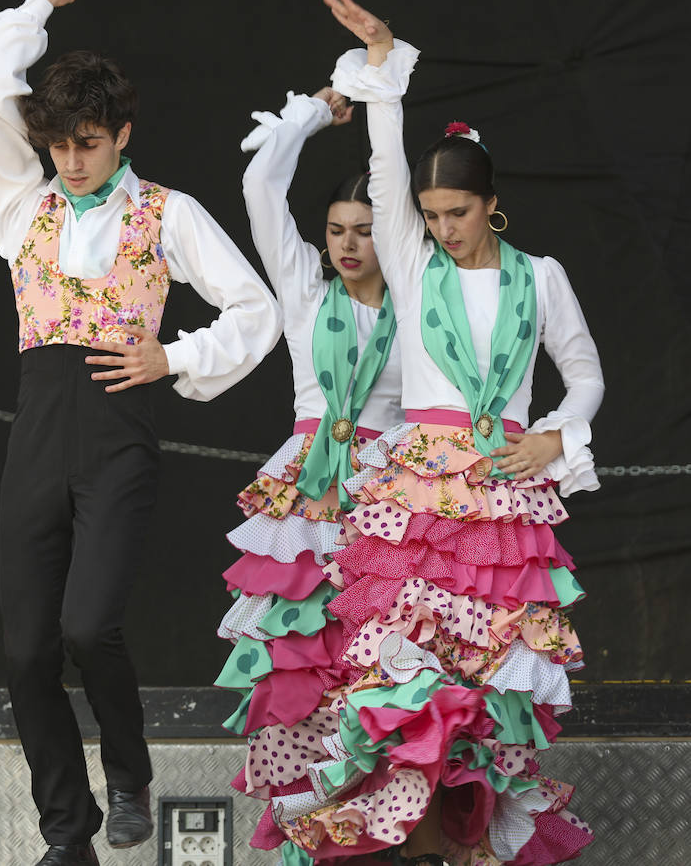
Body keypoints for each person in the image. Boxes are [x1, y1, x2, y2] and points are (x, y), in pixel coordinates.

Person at [244, 0, 603, 866]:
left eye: (458, 214)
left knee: (489, 699)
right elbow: (385, 164)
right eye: (431, 214)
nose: (440, 228)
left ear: (491, 205)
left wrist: (558, 435)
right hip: (416, 495)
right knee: (405, 687)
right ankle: (402, 841)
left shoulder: (540, 277)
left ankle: (471, 848)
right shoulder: (411, 261)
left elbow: (586, 373)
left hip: (503, 499)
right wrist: (382, 65)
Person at [0, 0, 283, 866]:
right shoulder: (19, 203)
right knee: (26, 653)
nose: (72, 160)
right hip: (35, 437)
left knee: (84, 627)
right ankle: (68, 837)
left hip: (118, 438)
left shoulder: (166, 213)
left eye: (90, 143)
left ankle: (130, 771)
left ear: (123, 137)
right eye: (61, 143)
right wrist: (38, 7)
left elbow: (256, 311)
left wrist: (172, 356)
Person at [215, 85, 403, 863]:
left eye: (365, 231)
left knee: (384, 670)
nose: (349, 245)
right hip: (305, 492)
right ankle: (311, 838)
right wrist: (312, 115)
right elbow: (261, 186)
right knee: (302, 669)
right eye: (336, 231)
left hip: (388, 491)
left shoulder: (420, 304)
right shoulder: (306, 289)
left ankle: (391, 829)